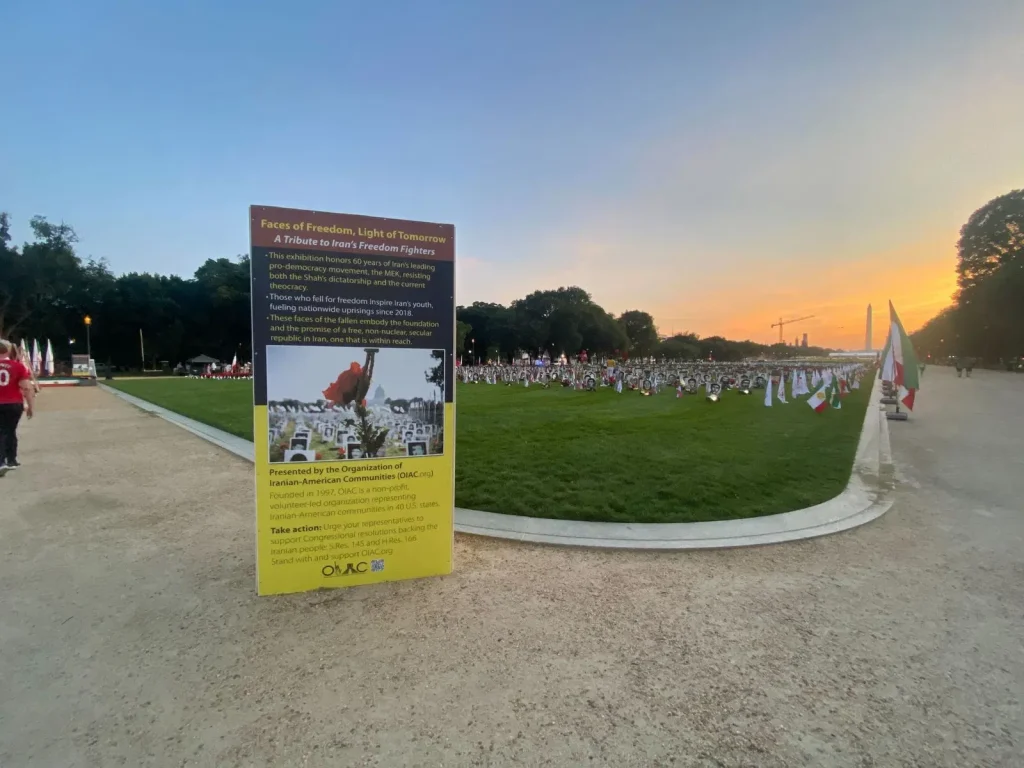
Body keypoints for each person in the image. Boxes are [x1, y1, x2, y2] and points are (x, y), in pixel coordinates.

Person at [0, 339, 35, 475]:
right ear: (8, 351)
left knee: (1, 431)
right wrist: (30, 406)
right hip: (14, 403)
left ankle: (1, 461)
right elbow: (26, 388)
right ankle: (11, 459)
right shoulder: (18, 367)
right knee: (10, 430)